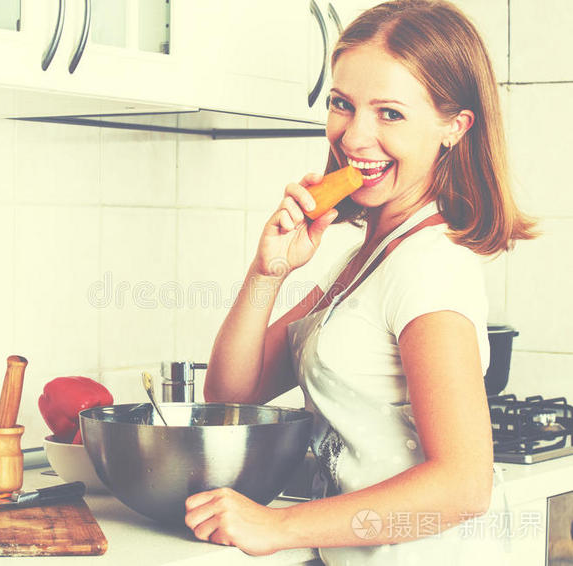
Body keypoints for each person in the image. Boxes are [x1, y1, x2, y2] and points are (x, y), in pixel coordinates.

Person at [182, 1, 537, 565]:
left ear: (453, 126)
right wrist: (266, 273)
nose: (354, 137)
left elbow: (464, 486)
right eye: (342, 105)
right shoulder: (368, 255)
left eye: (390, 114)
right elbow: (232, 396)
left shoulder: (429, 267)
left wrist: (278, 527)